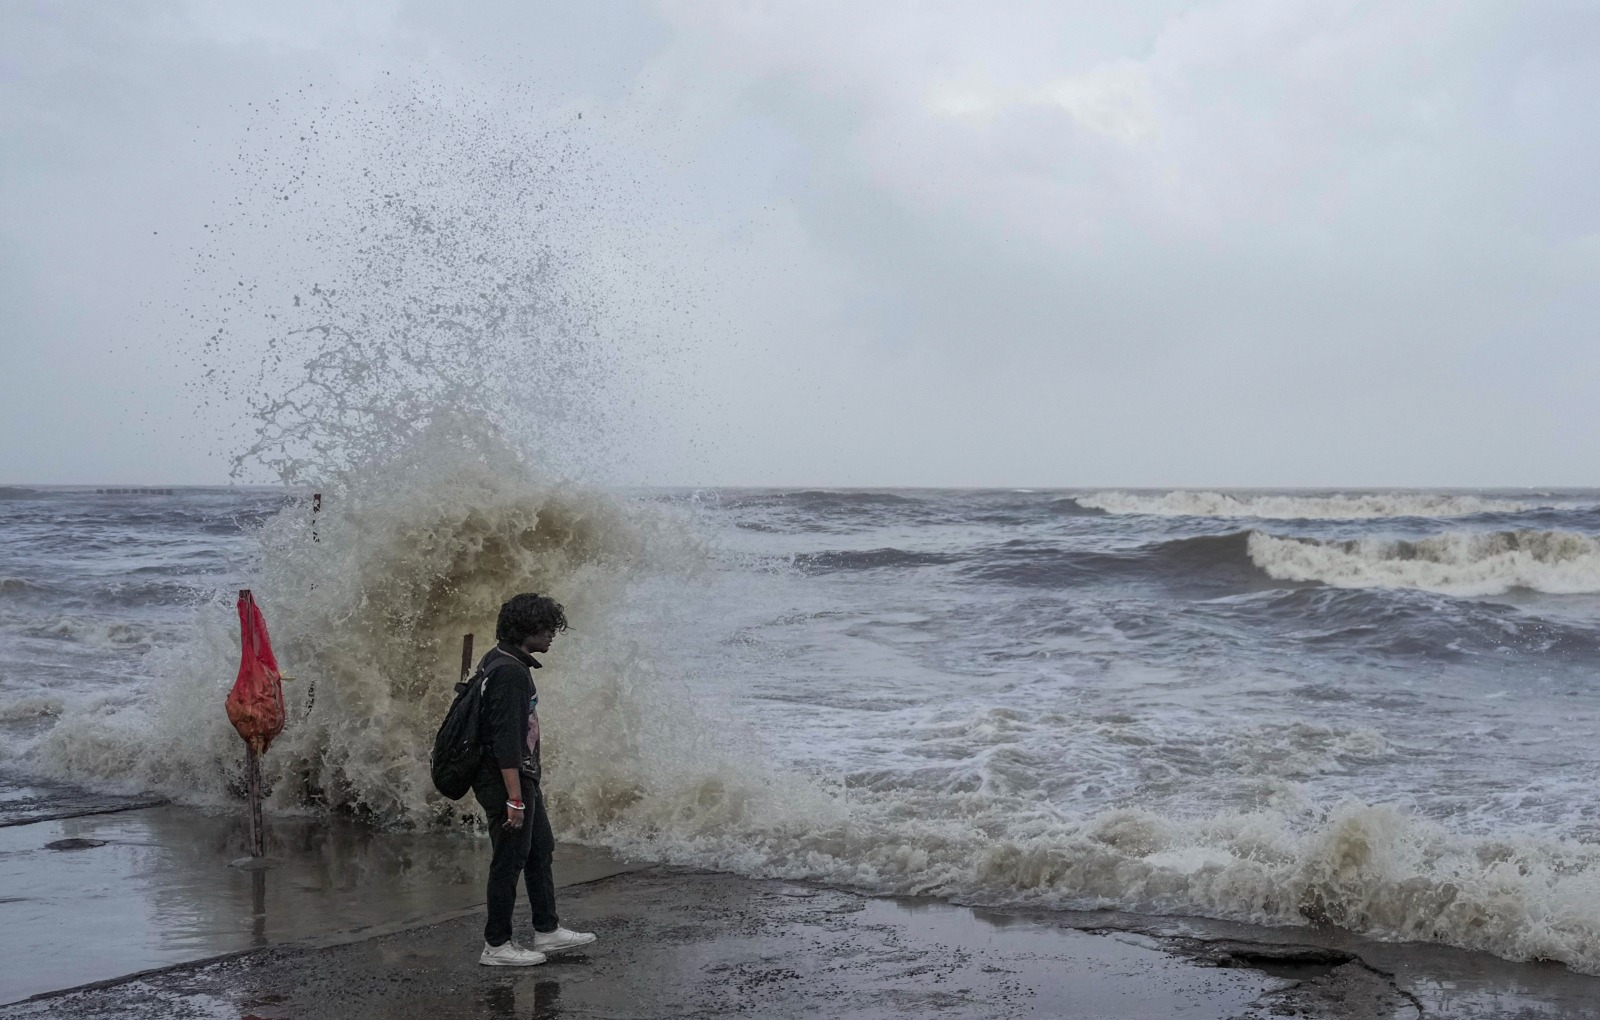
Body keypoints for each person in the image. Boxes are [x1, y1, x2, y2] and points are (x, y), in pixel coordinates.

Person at [473, 592, 597, 966]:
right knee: (509, 859)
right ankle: (496, 945)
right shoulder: (510, 673)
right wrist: (514, 798)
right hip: (506, 779)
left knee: (540, 849)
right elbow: (505, 743)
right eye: (546, 628)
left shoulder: (501, 659)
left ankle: (547, 930)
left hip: (520, 777)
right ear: (527, 630)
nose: (551, 635)